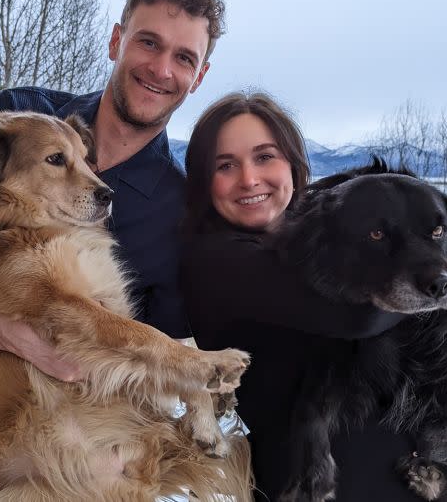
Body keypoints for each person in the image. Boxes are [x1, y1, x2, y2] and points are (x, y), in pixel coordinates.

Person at [0, 0, 224, 469]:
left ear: (199, 77)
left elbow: (156, 351)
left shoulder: (181, 208)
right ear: (117, 40)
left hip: (73, 458)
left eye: (184, 58)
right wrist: (19, 336)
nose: (160, 68)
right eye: (148, 42)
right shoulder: (18, 117)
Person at [180, 92, 423, 501]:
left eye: (264, 157)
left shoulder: (316, 244)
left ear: (293, 164)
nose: (249, 179)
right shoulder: (216, 261)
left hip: (402, 476)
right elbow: (357, 316)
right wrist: (435, 281)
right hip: (312, 486)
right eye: (225, 165)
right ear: (205, 183)